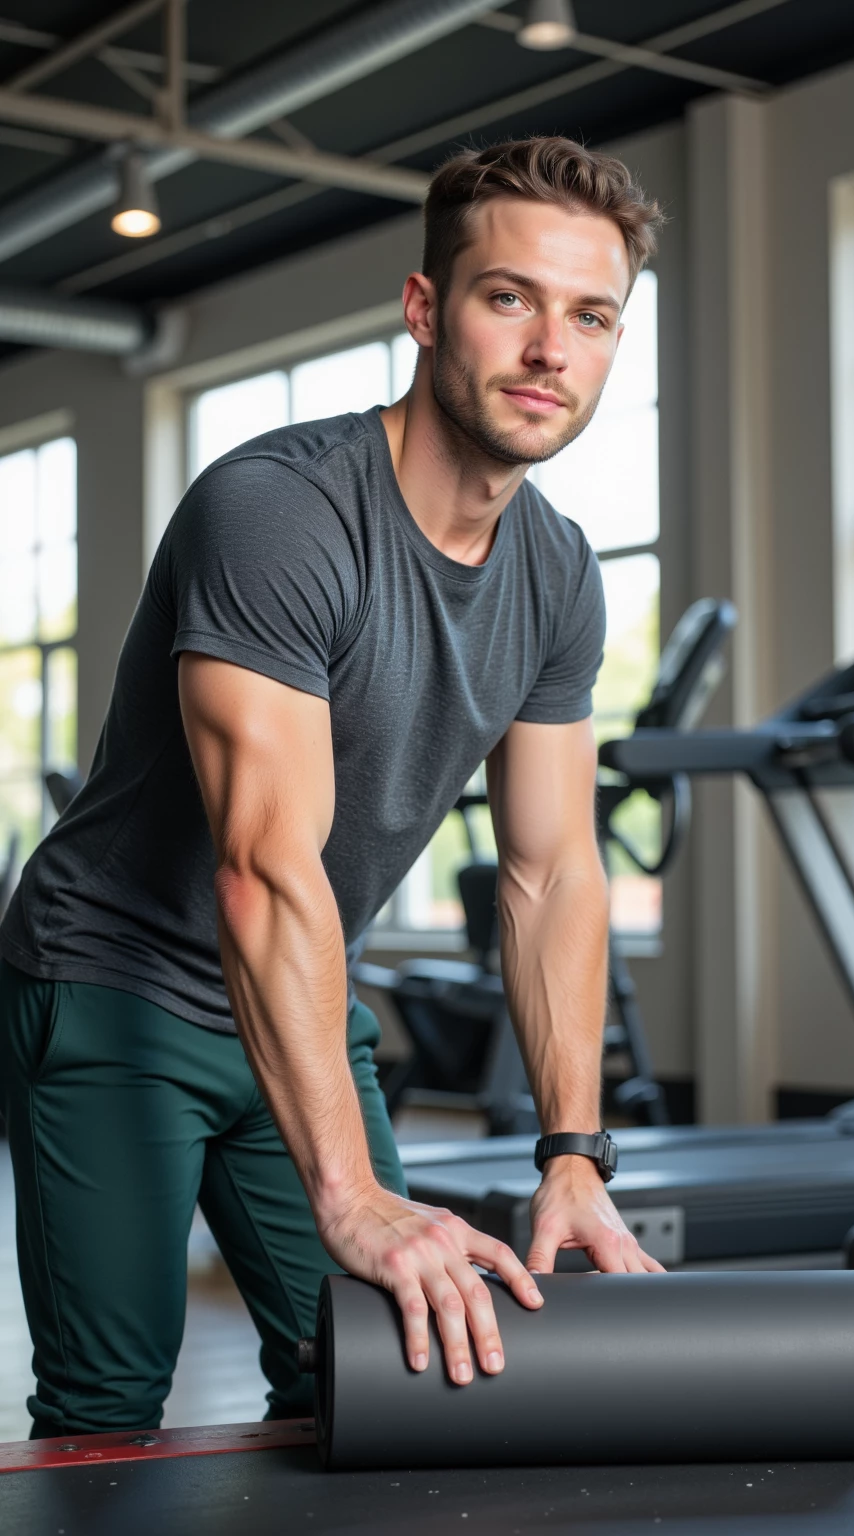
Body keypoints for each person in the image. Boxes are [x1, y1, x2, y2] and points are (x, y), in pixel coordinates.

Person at [0, 136, 664, 1438]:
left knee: (392, 1374)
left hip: (301, 996)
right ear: (426, 310)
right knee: (109, 1414)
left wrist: (572, 1154)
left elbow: (550, 870)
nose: (550, 350)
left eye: (590, 316)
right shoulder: (281, 512)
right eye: (508, 297)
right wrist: (350, 1195)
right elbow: (264, 865)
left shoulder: (558, 573)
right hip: (112, 990)